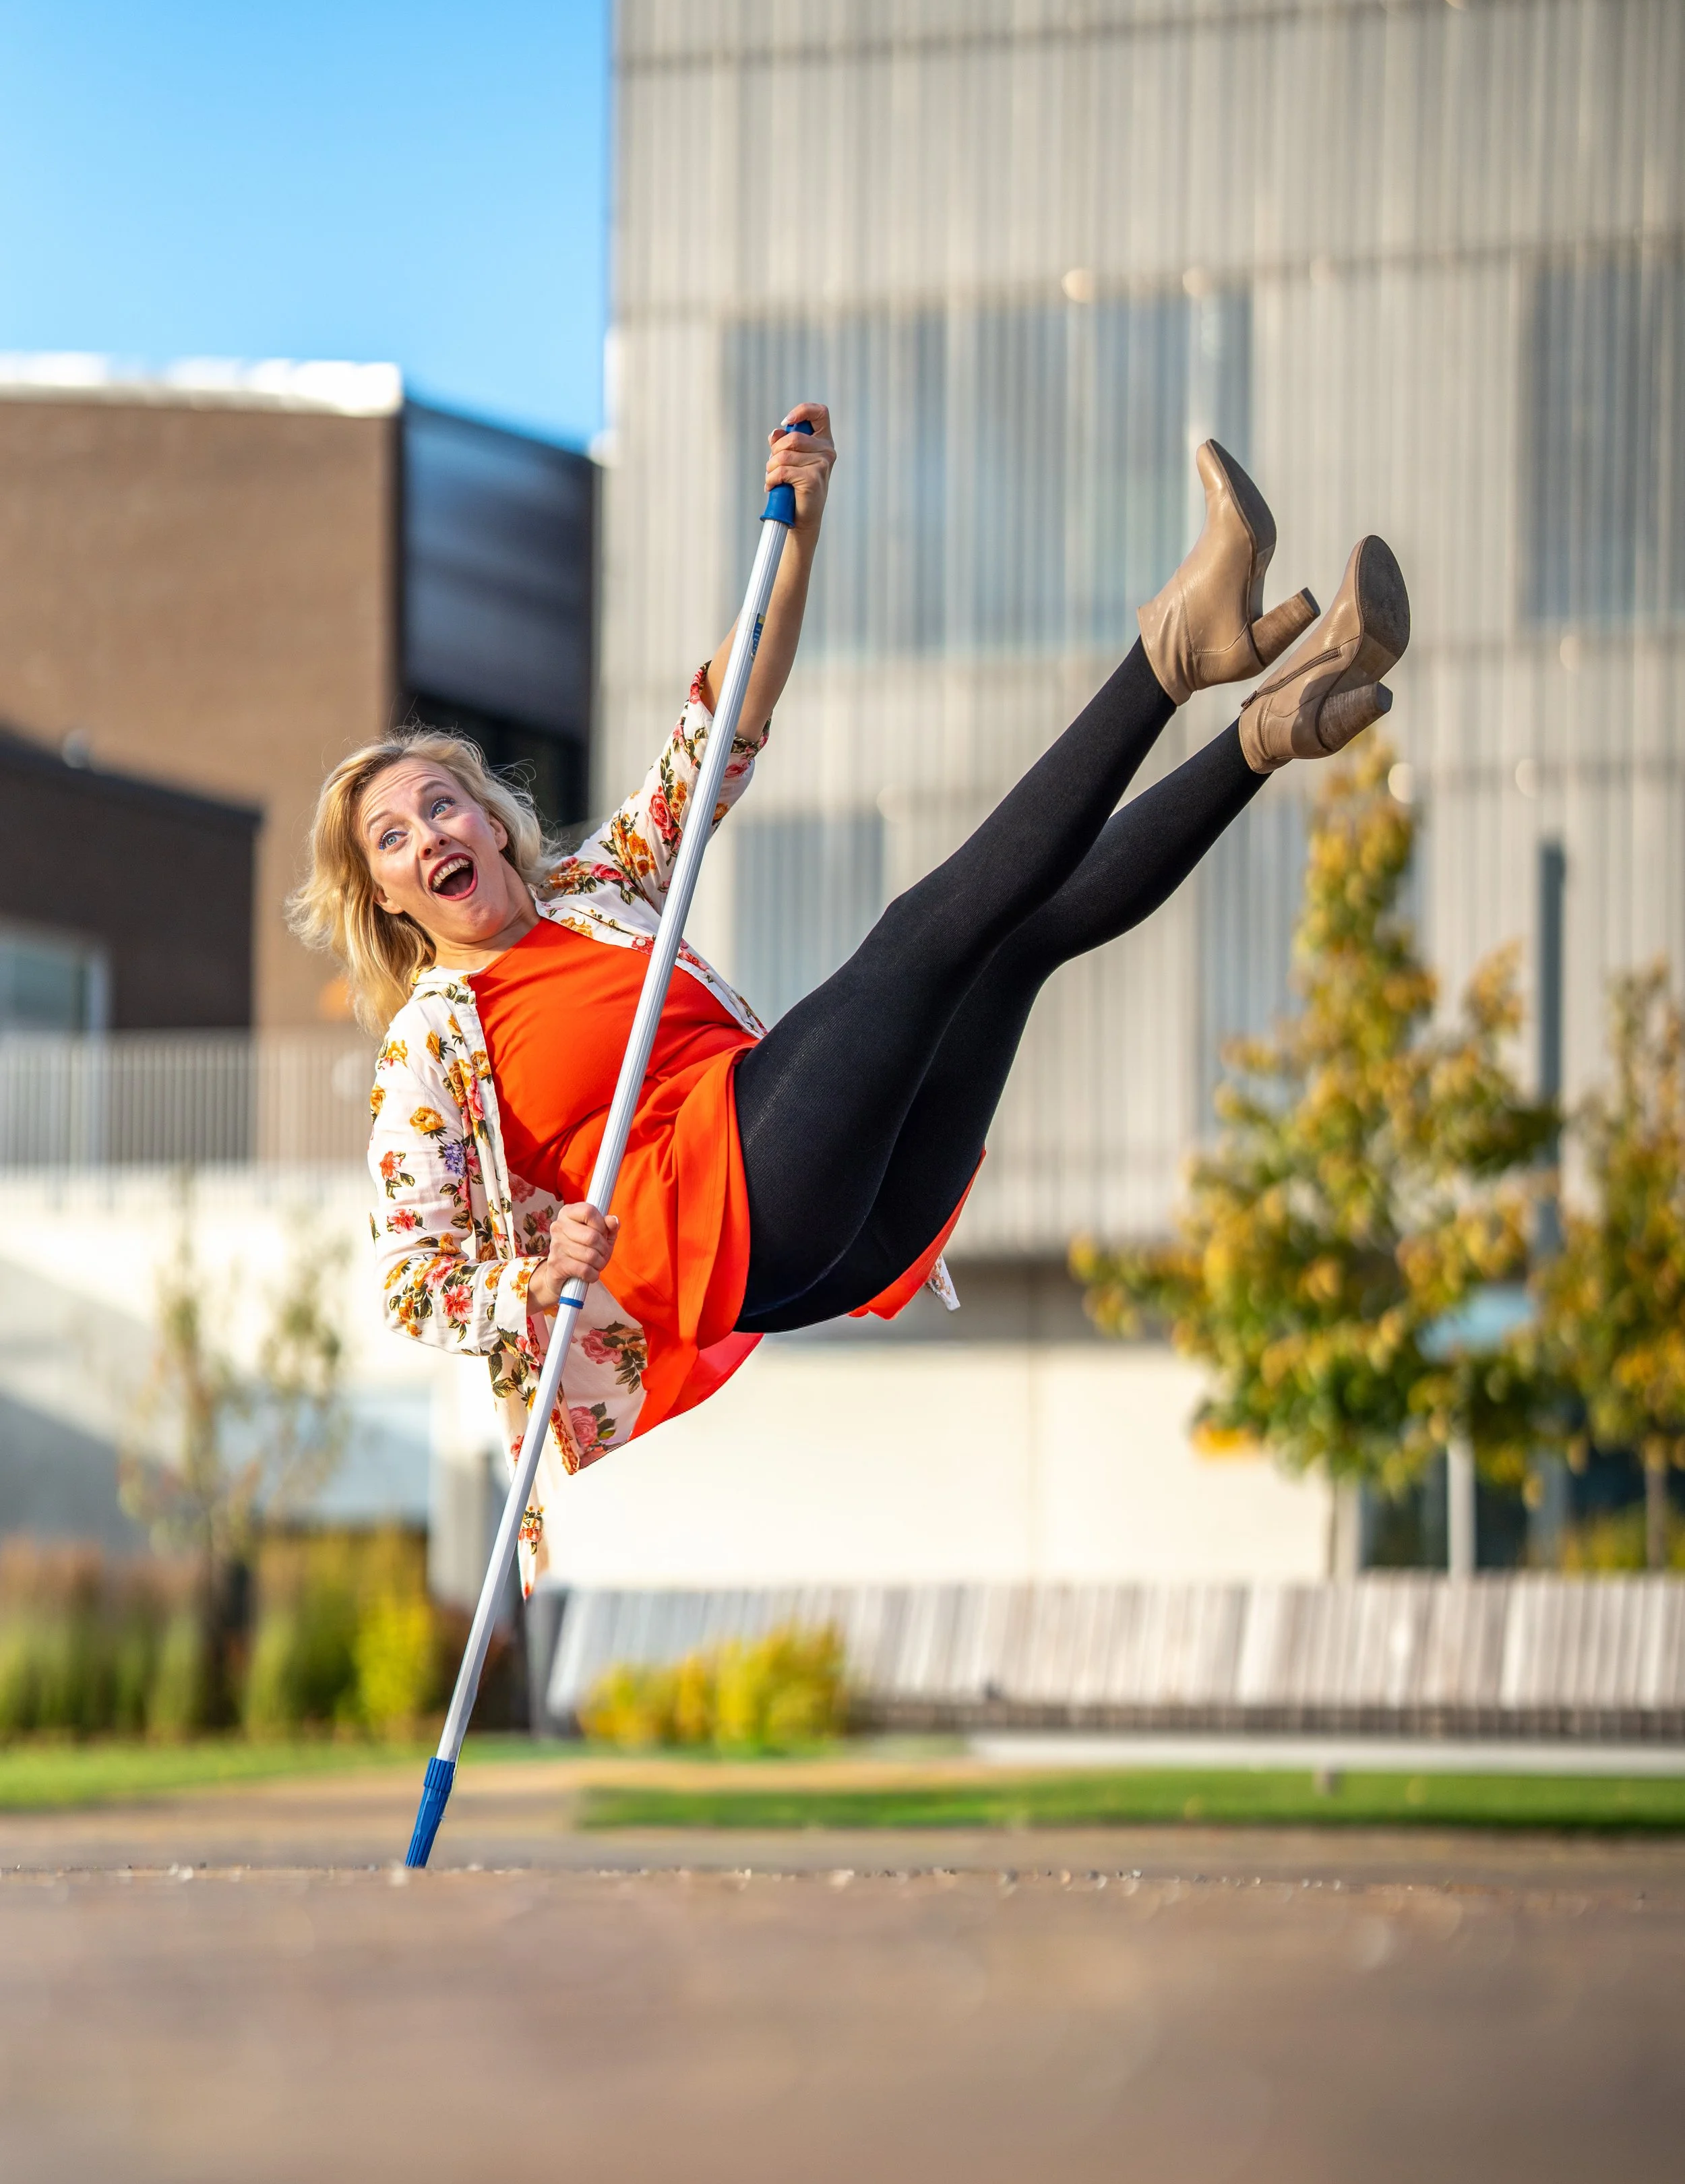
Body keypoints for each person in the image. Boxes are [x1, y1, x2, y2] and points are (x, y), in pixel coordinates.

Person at [290, 408, 1409, 1585]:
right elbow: (418, 1282)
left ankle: (1273, 728)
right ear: (385, 896)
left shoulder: (600, 888)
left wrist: (803, 534)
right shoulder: (432, 1044)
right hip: (718, 1221)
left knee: (1011, 944)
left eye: (440, 804)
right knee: (919, 937)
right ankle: (1176, 650)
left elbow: (721, 723)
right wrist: (540, 1267)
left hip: (844, 1223)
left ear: (489, 815)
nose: (429, 835)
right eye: (393, 838)